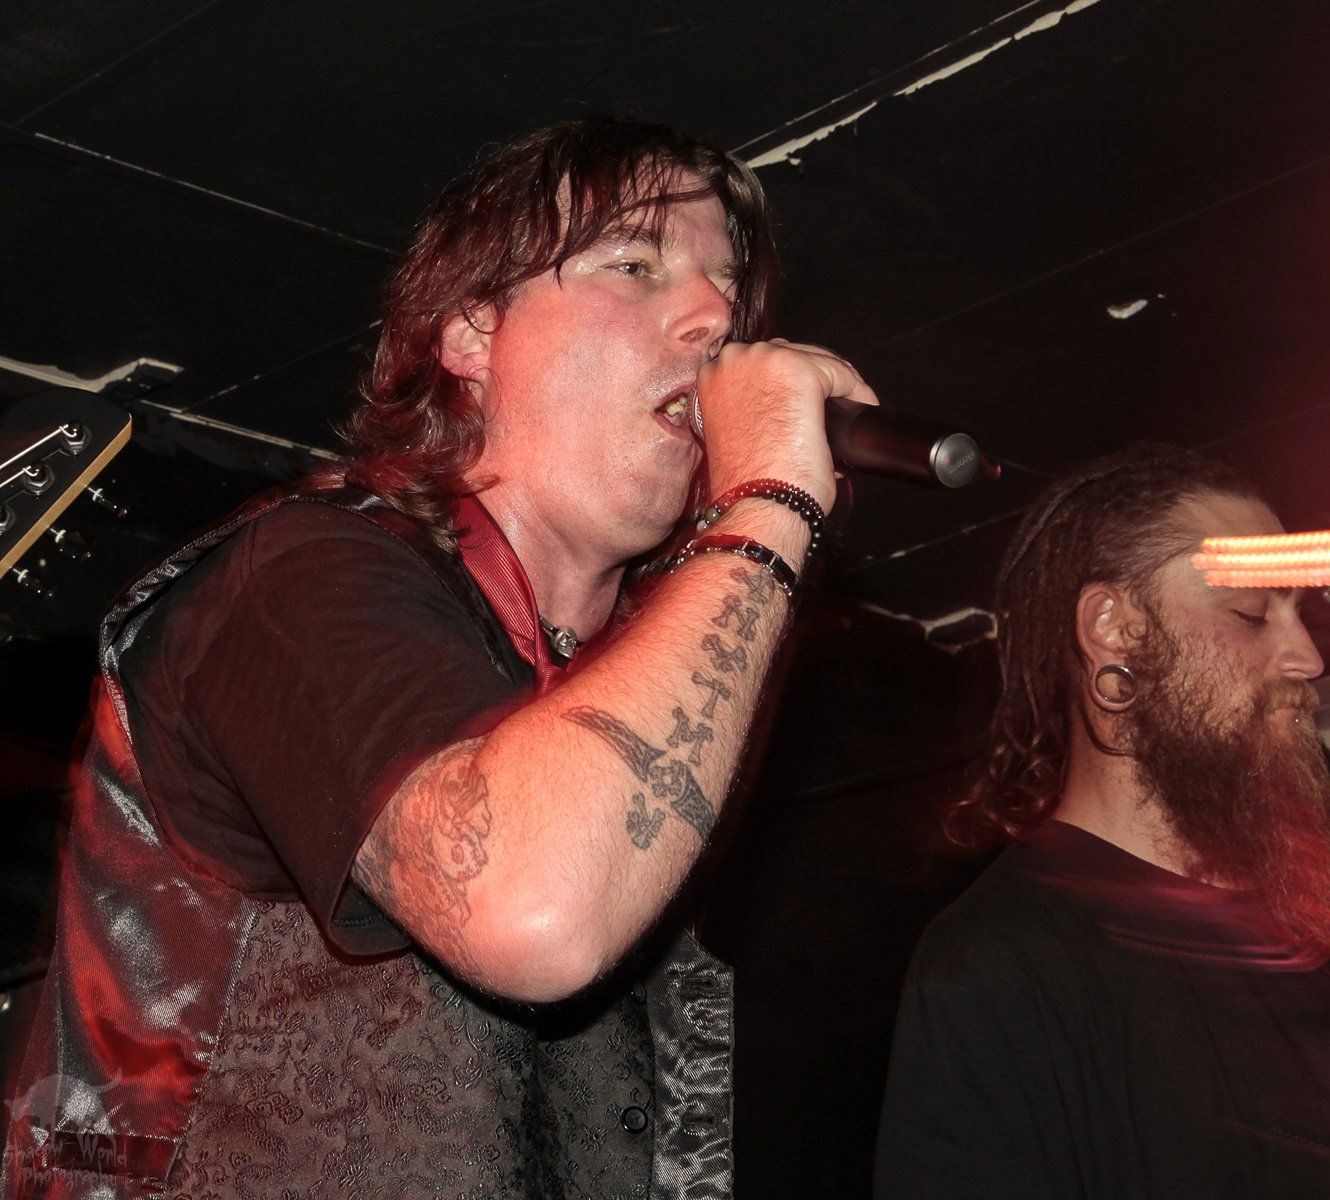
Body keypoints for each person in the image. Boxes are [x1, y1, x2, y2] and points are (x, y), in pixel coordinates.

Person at [3, 114, 876, 1198]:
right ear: (471, 334)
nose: (715, 318)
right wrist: (770, 503)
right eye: (635, 264)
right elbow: (532, 915)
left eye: (729, 288)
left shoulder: (627, 690)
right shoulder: (298, 577)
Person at [873, 443, 1330, 1199]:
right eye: (1251, 613)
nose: (1306, 657)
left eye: (1298, 614)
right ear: (1114, 628)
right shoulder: (1006, 962)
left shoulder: (1326, 945)